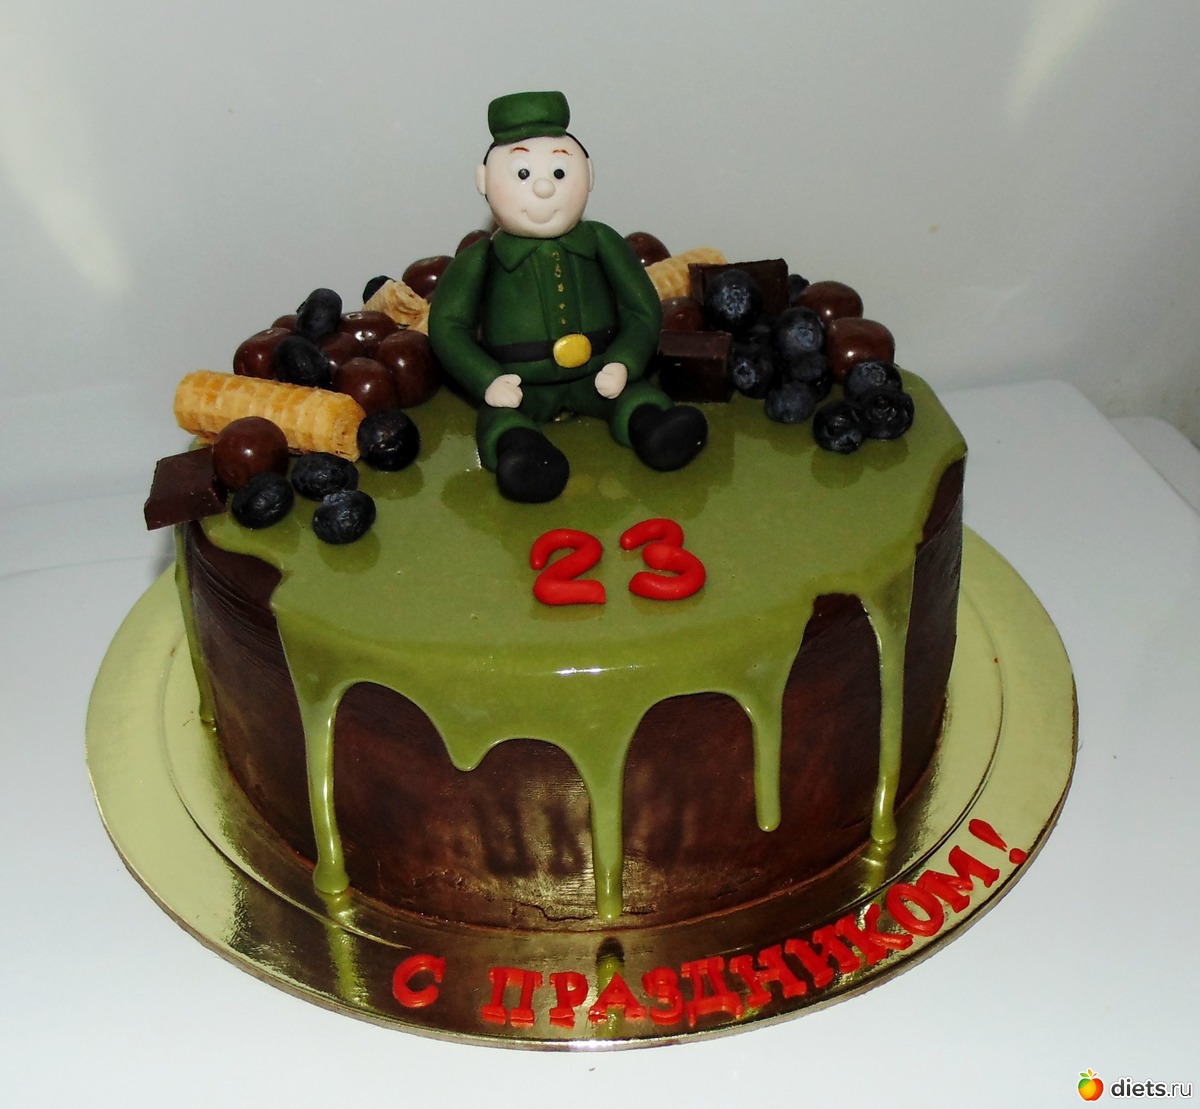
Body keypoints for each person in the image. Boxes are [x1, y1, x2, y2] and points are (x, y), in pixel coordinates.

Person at [429, 90, 707, 503]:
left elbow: (641, 308)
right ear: (483, 181)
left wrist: (624, 360)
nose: (544, 187)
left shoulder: (602, 241)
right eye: (523, 173)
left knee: (634, 396)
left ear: (589, 175)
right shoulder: (480, 259)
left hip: (599, 372)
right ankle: (523, 454)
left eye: (559, 172)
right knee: (503, 417)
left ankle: (654, 428)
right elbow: (448, 326)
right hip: (521, 383)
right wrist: (487, 380)